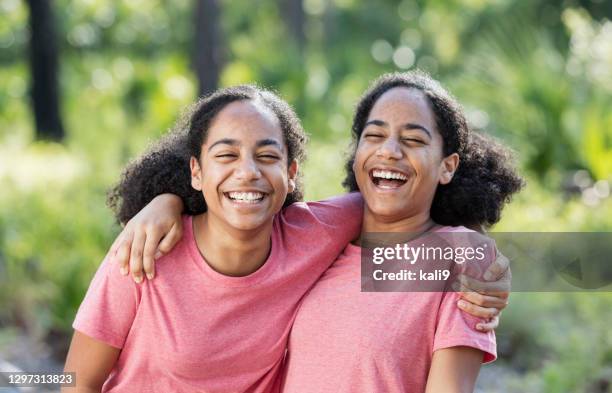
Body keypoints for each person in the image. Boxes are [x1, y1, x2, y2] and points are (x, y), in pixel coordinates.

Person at [106, 71, 522, 392]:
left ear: (447, 165)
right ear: (357, 153)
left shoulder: (458, 260)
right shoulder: (319, 240)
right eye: (373, 136)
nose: (389, 151)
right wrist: (167, 200)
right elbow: (240, 199)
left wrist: (476, 246)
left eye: (413, 140)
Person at [63, 85, 364, 392]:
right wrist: (166, 200)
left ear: (290, 172)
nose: (247, 171)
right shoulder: (144, 251)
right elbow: (76, 383)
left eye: (267, 155)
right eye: (226, 154)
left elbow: (393, 203)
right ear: (196, 171)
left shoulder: (312, 235)